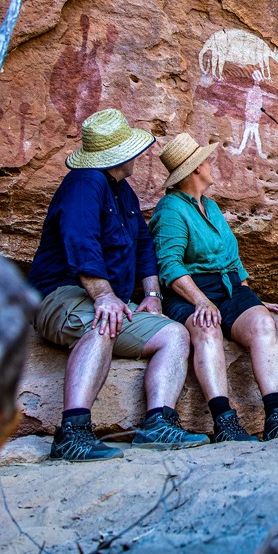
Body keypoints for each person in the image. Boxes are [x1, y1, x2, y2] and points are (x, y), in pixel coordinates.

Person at [29, 109, 208, 461]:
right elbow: (80, 240)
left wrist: (153, 296)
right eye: (134, 149)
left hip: (107, 298)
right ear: (119, 155)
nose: (140, 155)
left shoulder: (122, 192)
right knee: (104, 321)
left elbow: (143, 244)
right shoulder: (85, 183)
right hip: (61, 296)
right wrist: (105, 296)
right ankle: (73, 433)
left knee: (174, 335)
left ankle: (158, 423)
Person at [149, 132, 278, 442]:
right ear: (194, 170)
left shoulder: (211, 207)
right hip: (190, 292)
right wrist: (202, 301)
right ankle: (224, 421)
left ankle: (276, 417)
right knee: (207, 329)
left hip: (230, 290)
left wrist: (251, 300)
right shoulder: (170, 210)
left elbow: (233, 261)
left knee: (262, 322)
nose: (210, 164)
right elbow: (170, 266)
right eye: (205, 161)